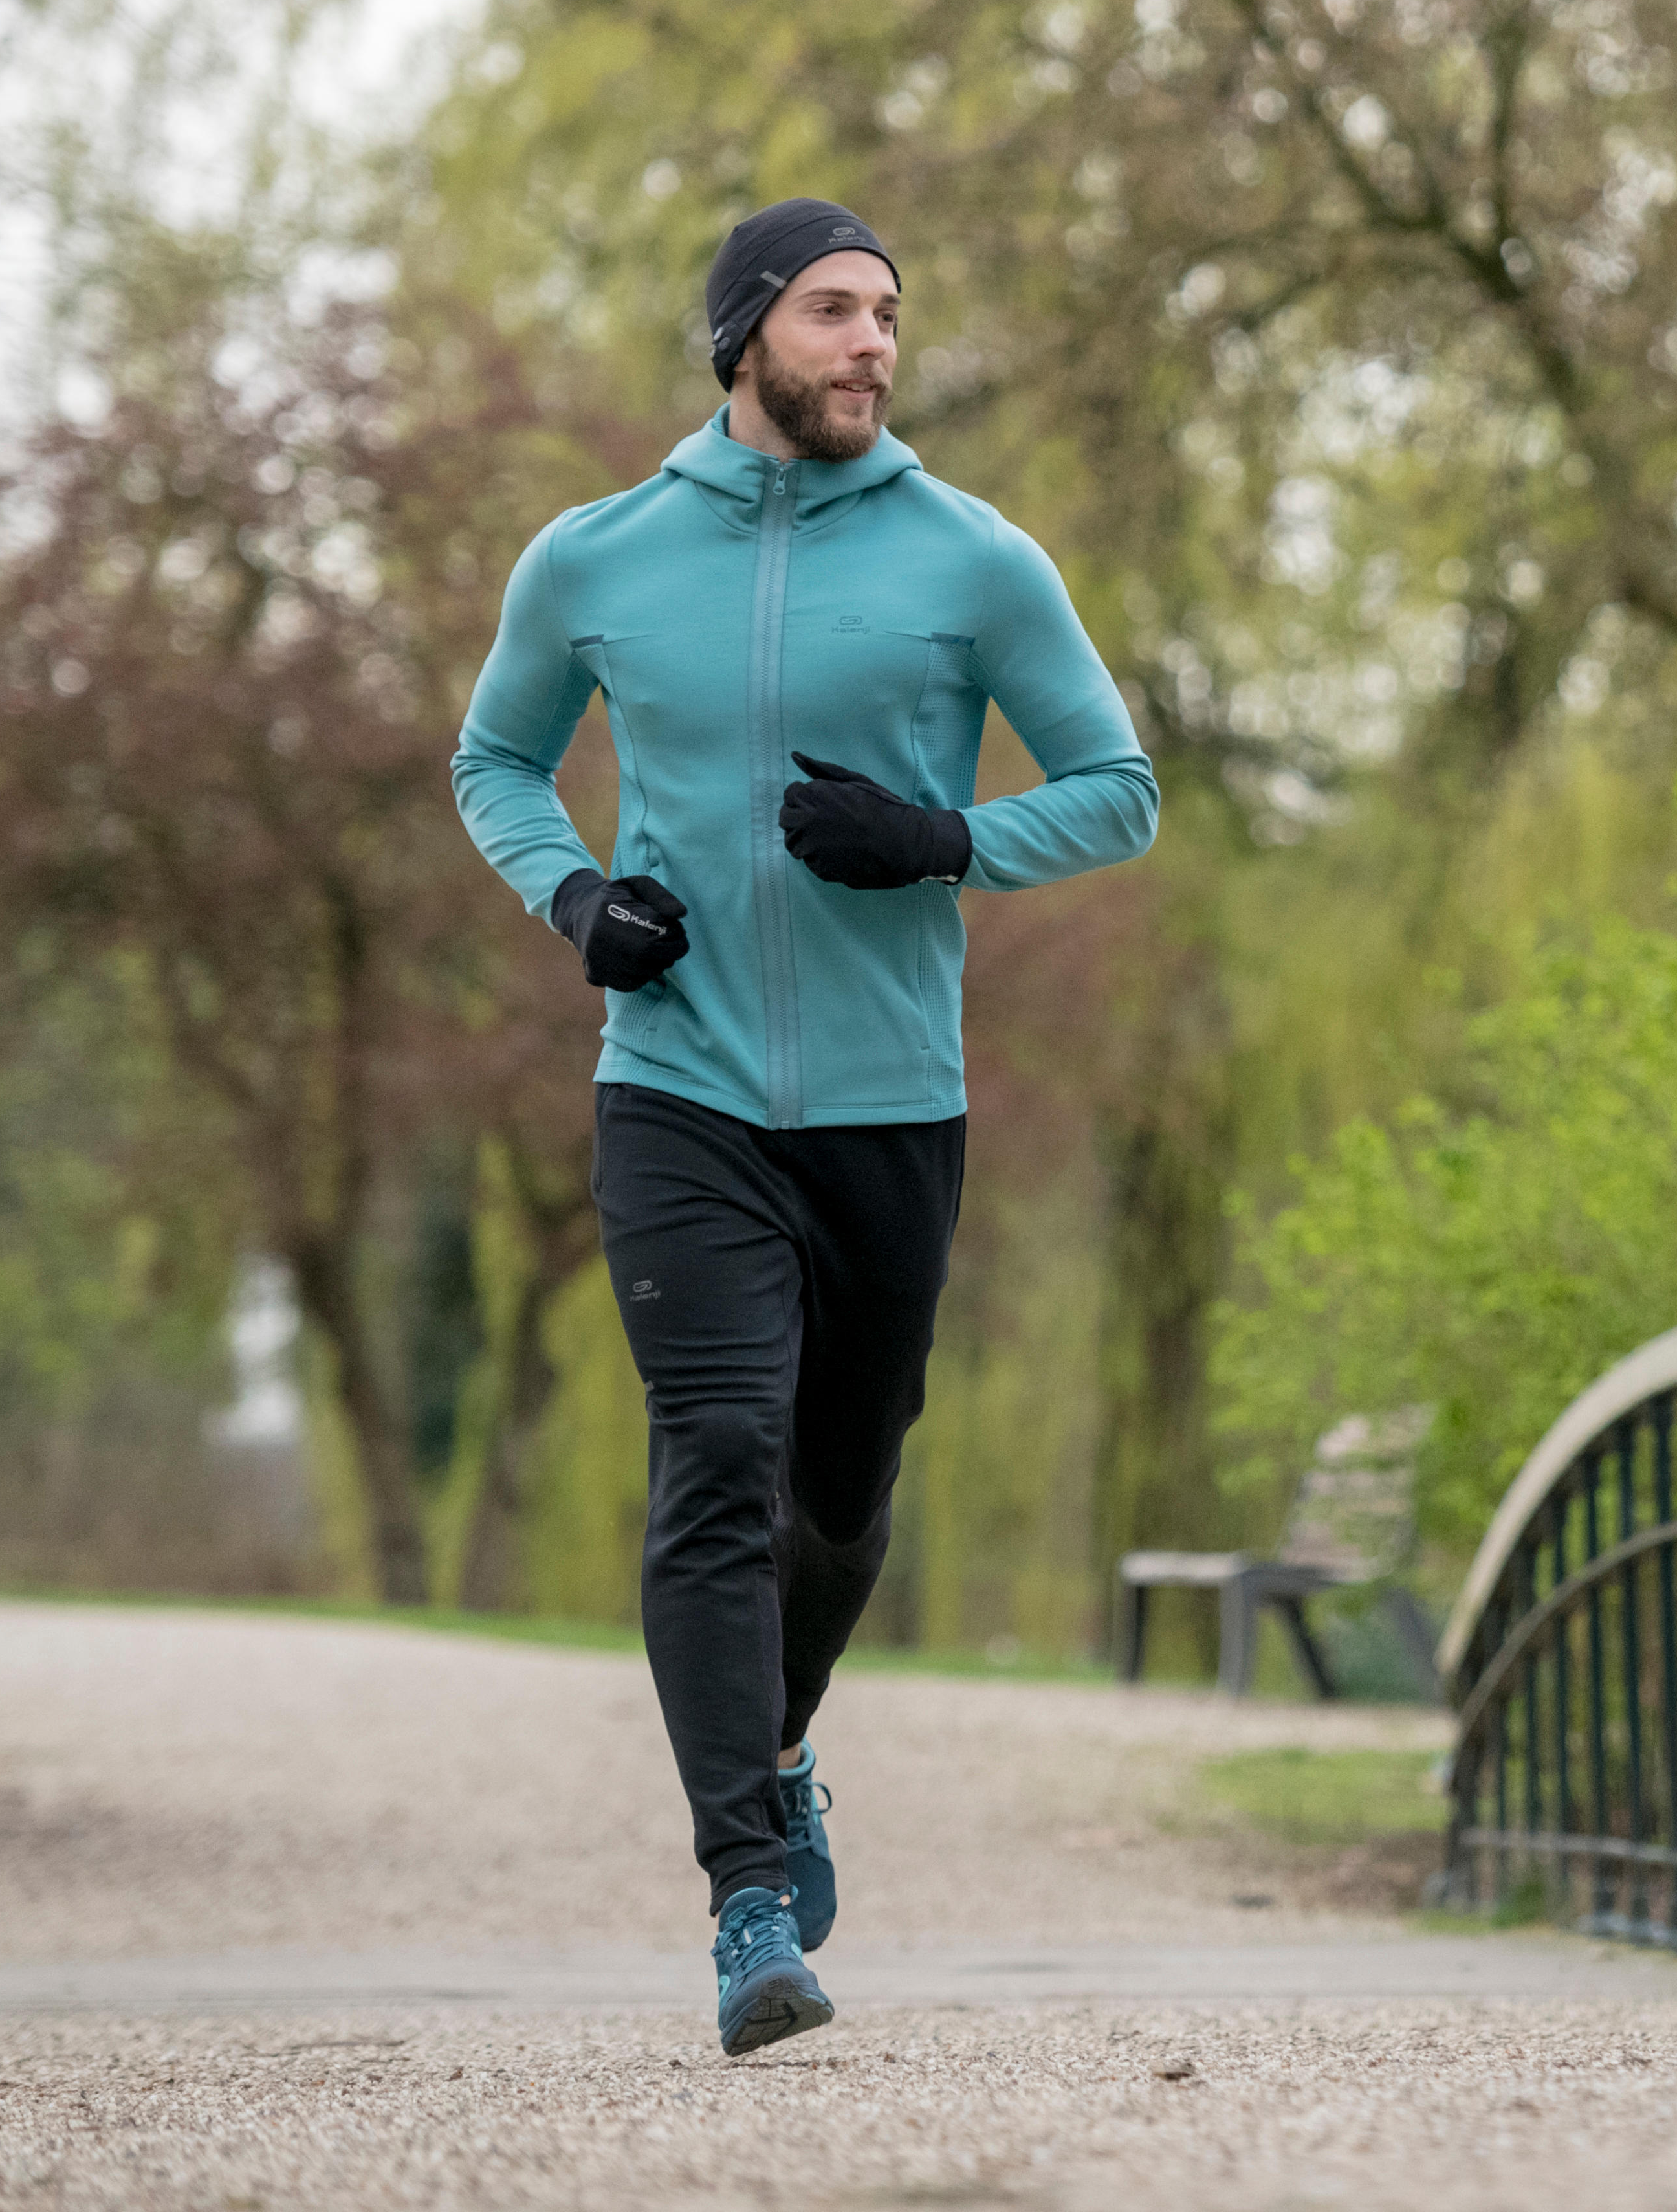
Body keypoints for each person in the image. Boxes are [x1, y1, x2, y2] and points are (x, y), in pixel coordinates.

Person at [450, 199, 1159, 2053]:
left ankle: (777, 1740)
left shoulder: (973, 559)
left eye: (890, 319)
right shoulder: (596, 557)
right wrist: (576, 900)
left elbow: (1121, 789)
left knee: (837, 1502)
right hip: (675, 1087)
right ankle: (747, 1896)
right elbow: (495, 759)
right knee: (714, 1460)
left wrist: (949, 843)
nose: (873, 347)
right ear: (746, 329)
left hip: (887, 1106)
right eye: (837, 311)